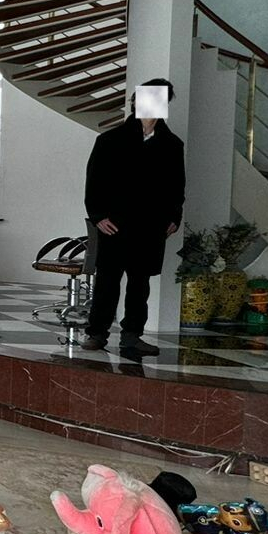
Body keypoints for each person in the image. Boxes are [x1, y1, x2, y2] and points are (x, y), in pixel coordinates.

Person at [82, 78, 185, 355]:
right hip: (114, 225)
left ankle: (132, 336)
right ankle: (97, 333)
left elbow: (177, 186)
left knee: (140, 285)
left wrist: (175, 216)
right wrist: (98, 216)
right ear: (135, 102)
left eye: (158, 98)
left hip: (151, 226)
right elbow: (94, 183)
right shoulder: (108, 141)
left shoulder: (172, 145)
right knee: (107, 282)